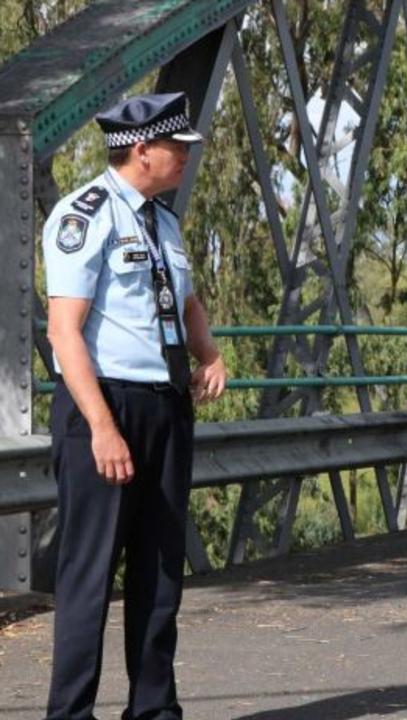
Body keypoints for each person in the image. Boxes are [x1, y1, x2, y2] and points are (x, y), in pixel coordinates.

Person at [42, 92, 227, 720]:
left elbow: (188, 301)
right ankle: (70, 714)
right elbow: (64, 331)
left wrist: (211, 356)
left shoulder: (164, 222)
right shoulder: (83, 215)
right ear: (142, 149)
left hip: (166, 407)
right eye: (177, 147)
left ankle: (153, 711)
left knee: (159, 574)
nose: (184, 158)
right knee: (89, 577)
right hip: (106, 406)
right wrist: (101, 426)